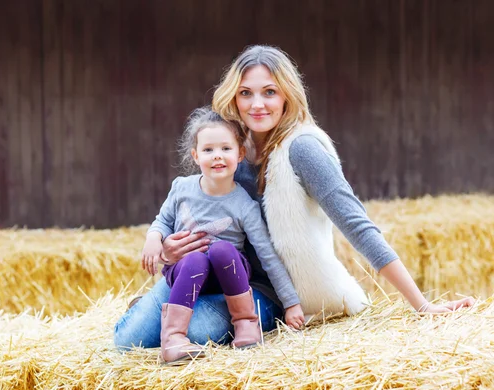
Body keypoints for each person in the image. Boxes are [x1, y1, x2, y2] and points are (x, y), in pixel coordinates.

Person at [114, 45, 475, 350]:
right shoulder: (229, 147)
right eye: (246, 93)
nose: (257, 104)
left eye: (269, 92)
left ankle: (163, 311)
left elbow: (357, 225)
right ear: (233, 97)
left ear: (287, 93)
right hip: (206, 273)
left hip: (264, 292)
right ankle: (148, 309)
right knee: (126, 340)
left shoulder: (302, 150)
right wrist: (168, 250)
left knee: (193, 333)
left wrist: (422, 305)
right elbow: (193, 212)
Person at [141, 107, 304, 363]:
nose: (217, 156)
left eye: (225, 149)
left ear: (240, 154)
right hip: (187, 273)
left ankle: (246, 325)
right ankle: (173, 341)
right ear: (195, 155)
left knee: (222, 250)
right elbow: (162, 221)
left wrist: (291, 302)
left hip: (228, 277)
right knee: (195, 260)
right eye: (208, 150)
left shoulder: (244, 204)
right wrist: (154, 239)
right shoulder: (181, 188)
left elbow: (267, 255)